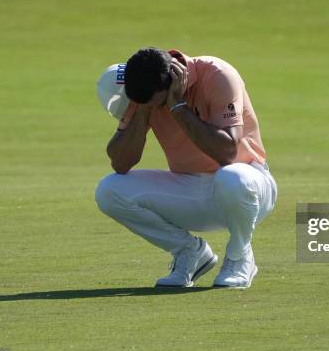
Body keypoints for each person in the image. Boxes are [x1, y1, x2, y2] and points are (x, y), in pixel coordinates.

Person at [94, 47, 277, 288]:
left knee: (231, 177)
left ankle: (240, 257)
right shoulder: (143, 88)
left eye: (153, 101)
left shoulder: (217, 75)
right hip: (190, 189)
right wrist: (143, 110)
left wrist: (178, 107)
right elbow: (120, 163)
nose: (151, 107)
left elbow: (228, 153)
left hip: (248, 185)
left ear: (170, 82)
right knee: (109, 190)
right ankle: (190, 253)